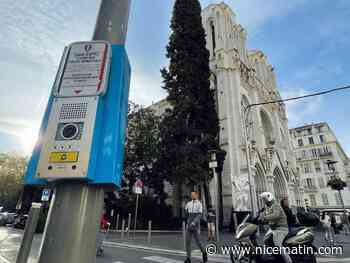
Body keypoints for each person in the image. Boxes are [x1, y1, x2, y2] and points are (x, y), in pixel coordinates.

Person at [259, 192, 292, 263]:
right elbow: (267, 217)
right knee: (265, 240)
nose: (263, 201)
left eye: (264, 199)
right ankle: (274, 256)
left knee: (277, 244)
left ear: (269, 198)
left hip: (281, 228)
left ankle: (288, 261)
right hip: (273, 229)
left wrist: (264, 217)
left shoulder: (276, 205)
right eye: (263, 199)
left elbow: (276, 215)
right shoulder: (268, 207)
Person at [184, 191, 207, 263]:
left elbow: (199, 215)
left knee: (198, 242)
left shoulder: (199, 204)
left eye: (193, 195)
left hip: (195, 225)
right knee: (187, 242)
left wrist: (194, 222)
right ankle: (188, 258)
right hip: (189, 225)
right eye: (191, 195)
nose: (192, 196)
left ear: (197, 195)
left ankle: (204, 252)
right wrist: (187, 222)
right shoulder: (188, 204)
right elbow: (186, 213)